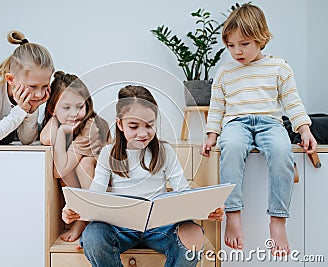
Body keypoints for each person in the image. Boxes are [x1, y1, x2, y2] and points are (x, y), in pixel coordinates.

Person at [63, 85, 224, 267]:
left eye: (149, 125)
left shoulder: (165, 152)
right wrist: (74, 211)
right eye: (134, 126)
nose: (143, 133)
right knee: (93, 235)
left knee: (194, 233)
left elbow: (184, 193)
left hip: (161, 228)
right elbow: (94, 197)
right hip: (120, 228)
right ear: (120, 124)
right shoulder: (108, 154)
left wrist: (206, 209)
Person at [201, 3, 317, 256]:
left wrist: (304, 129)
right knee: (230, 147)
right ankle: (233, 215)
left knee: (281, 149)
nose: (237, 51)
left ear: (261, 38)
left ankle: (278, 221)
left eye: (244, 44)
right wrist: (212, 135)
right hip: (236, 123)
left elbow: (292, 101)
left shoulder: (279, 68)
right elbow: (217, 107)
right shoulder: (225, 73)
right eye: (231, 45)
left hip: (270, 123)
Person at [40, 71, 110, 242]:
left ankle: (87, 219)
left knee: (84, 164)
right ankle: (84, 217)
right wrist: (55, 120)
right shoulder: (64, 122)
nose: (74, 113)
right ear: (52, 109)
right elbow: (46, 138)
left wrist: (62, 129)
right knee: (74, 164)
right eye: (66, 108)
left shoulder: (89, 127)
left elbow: (59, 171)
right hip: (88, 187)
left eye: (79, 107)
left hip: (109, 186)